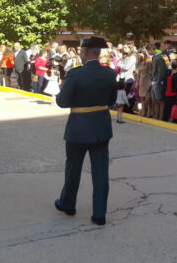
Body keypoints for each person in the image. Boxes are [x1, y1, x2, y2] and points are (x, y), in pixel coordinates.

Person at [53, 37, 117, 226]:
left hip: (78, 128)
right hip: (101, 127)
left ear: (86, 51)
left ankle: (68, 203)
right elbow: (111, 99)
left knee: (73, 168)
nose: (80, 53)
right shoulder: (109, 74)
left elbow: (62, 102)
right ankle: (99, 214)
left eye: (81, 50)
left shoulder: (76, 74)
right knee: (100, 171)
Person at [149, 44, 168, 121]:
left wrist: (158, 81)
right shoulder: (154, 57)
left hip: (157, 82)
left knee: (160, 100)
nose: (148, 52)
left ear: (152, 49)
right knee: (154, 100)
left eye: (148, 50)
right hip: (153, 80)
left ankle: (161, 116)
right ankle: (156, 115)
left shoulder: (159, 58)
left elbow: (161, 71)